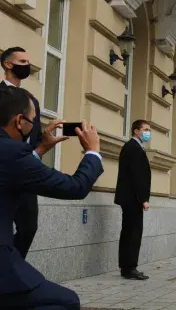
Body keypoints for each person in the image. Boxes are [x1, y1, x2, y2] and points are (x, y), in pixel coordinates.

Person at [0, 86, 103, 308]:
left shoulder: (14, 156)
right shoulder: (14, 153)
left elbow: (9, 173)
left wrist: (40, 149)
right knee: (66, 302)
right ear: (19, 120)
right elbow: (75, 187)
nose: (34, 126)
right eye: (32, 120)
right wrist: (93, 151)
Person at [0, 47, 43, 259]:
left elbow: (36, 137)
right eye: (23, 61)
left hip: (26, 169)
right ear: (8, 64)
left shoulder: (31, 100)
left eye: (28, 61)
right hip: (3, 168)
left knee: (29, 227)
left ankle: (12, 270)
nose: (27, 65)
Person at [115, 120, 152, 280]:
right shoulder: (133, 148)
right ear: (136, 131)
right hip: (133, 199)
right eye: (145, 129)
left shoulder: (134, 147)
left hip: (130, 198)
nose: (148, 132)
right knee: (133, 233)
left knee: (129, 232)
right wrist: (143, 199)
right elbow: (137, 177)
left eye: (149, 130)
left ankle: (127, 267)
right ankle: (129, 267)